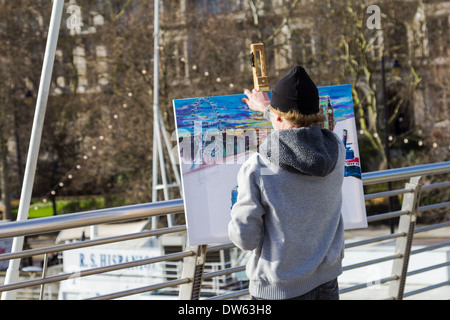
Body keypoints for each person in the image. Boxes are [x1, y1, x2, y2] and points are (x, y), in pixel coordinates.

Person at [228, 66, 346, 300]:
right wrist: (266, 109)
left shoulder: (259, 166)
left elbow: (246, 238)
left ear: (279, 117)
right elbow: (301, 135)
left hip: (279, 289)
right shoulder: (337, 149)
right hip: (326, 281)